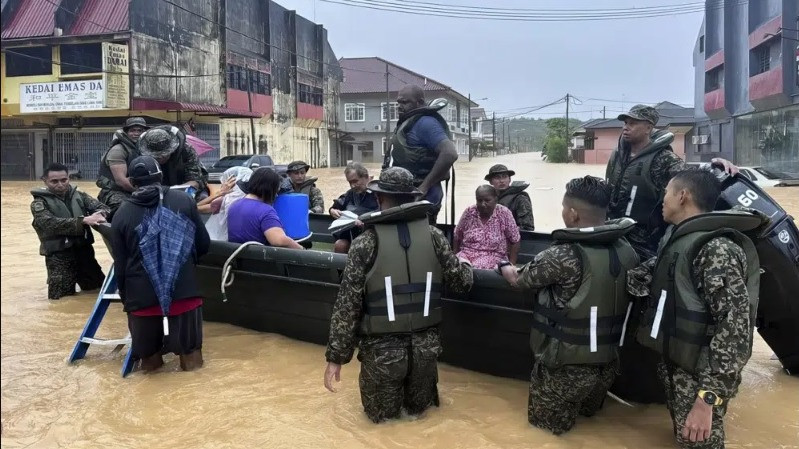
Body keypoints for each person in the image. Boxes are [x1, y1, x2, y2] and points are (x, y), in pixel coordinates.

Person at [606, 104, 737, 404]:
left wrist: (713, 166)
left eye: (634, 122)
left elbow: (687, 182)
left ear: (649, 127)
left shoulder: (662, 159)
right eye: (625, 121)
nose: (626, 126)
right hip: (615, 233)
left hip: (642, 243)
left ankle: (640, 362)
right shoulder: (620, 155)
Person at [323, 167, 474, 423]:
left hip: (382, 354)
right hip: (425, 352)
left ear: (380, 198)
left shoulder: (365, 243)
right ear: (412, 198)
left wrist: (336, 358)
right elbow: (461, 284)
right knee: (421, 421)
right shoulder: (435, 237)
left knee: (382, 427)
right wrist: (467, 264)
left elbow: (347, 306)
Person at [630, 169, 764, 449]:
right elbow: (655, 276)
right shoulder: (678, 239)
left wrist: (707, 400)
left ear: (682, 196)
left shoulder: (717, 250)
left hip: (701, 381)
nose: (662, 199)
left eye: (666, 192)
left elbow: (735, 330)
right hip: (678, 367)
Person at [500, 176, 639, 435]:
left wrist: (504, 266)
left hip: (564, 371)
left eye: (564, 207)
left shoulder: (562, 255)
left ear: (573, 214)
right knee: (589, 430)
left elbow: (520, 280)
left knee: (545, 435)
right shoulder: (626, 249)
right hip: (606, 366)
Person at [110, 156, 210, 372]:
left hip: (142, 298)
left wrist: (129, 301)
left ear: (133, 183)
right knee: (191, 358)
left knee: (148, 362)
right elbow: (203, 244)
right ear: (161, 176)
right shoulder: (184, 201)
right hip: (183, 292)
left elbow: (120, 264)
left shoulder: (121, 214)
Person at [31, 163, 109, 300]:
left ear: (68, 178)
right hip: (59, 257)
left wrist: (100, 215)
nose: (60, 184)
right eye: (54, 181)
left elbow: (103, 208)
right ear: (45, 181)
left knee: (98, 291)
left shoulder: (79, 195)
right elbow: (48, 223)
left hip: (84, 252)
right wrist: (83, 220)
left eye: (64, 180)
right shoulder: (39, 203)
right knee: (60, 301)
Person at [389, 85, 459, 224]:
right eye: (398, 102)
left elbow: (450, 153)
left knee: (420, 240)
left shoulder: (426, 123)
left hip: (422, 199)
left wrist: (424, 186)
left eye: (405, 102)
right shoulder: (407, 123)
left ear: (419, 102)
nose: (399, 106)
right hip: (406, 195)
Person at [227, 167, 304, 249]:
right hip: (258, 259)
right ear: (270, 189)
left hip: (237, 258)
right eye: (276, 191)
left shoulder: (234, 205)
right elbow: (278, 240)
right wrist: (302, 250)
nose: (276, 195)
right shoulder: (265, 211)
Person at [453, 185, 520, 270]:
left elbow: (515, 240)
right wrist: (455, 255)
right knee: (457, 266)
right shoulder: (469, 212)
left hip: (495, 257)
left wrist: (512, 265)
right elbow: (457, 235)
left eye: (487, 200)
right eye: (479, 200)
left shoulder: (504, 213)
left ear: (495, 199)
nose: (483, 204)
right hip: (467, 255)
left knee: (502, 271)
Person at [96, 117, 149, 218]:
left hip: (137, 189)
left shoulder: (144, 148)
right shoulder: (118, 150)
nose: (136, 133)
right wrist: (143, 193)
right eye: (133, 130)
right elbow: (121, 181)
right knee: (124, 209)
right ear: (126, 132)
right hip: (115, 191)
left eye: (140, 130)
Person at [137, 125, 207, 197]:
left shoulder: (186, 151)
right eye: (156, 156)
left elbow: (194, 183)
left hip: (184, 190)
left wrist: (168, 192)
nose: (161, 158)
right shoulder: (141, 154)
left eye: (164, 155)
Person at [329, 162, 379, 253]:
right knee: (340, 245)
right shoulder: (350, 194)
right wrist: (332, 210)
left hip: (374, 235)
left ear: (366, 177)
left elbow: (385, 212)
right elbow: (336, 205)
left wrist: (366, 220)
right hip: (352, 235)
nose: (352, 186)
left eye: (355, 181)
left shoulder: (378, 194)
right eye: (350, 182)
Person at [202, 167, 252, 241]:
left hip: (214, 240)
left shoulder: (224, 201)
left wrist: (219, 193)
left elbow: (196, 207)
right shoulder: (250, 200)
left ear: (230, 183)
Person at [485, 164, 535, 231]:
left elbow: (527, 228)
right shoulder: (487, 199)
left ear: (509, 179)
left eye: (504, 177)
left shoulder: (520, 198)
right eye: (497, 178)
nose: (502, 181)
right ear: (491, 181)